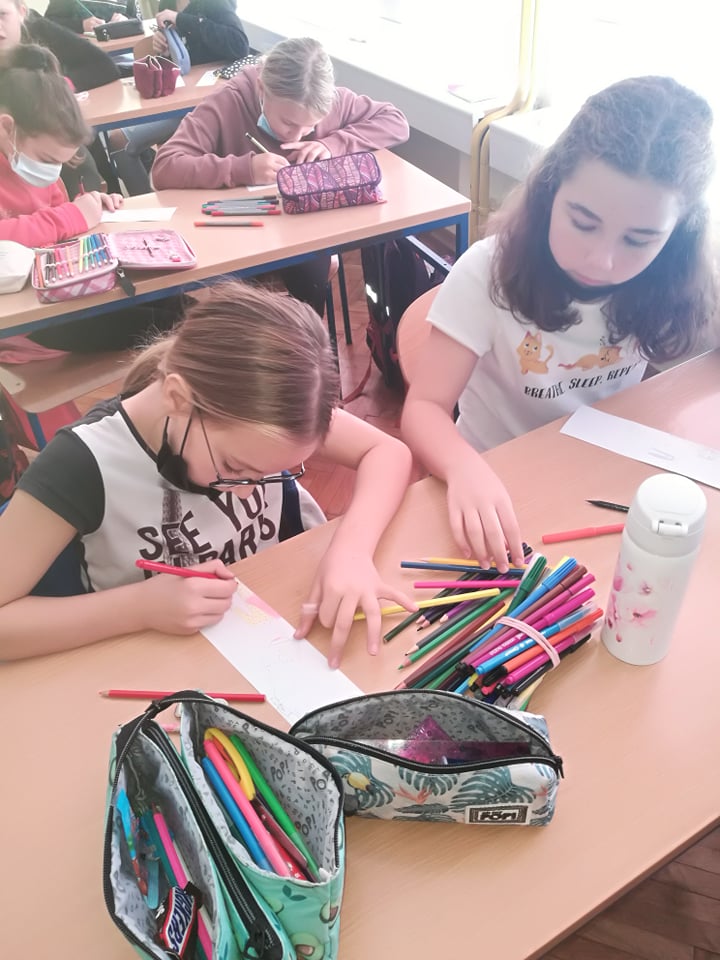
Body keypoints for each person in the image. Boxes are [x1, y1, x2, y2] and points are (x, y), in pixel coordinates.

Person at [0, 282, 415, 665]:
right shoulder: (81, 464)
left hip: (266, 625)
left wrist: (351, 551)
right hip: (150, 657)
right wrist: (139, 608)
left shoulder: (279, 410)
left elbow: (388, 452)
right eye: (235, 468)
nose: (246, 493)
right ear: (178, 398)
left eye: (272, 473)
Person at [401, 75, 717, 572]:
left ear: (678, 233)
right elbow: (423, 408)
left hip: (601, 474)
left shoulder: (678, 276)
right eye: (583, 222)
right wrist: (463, 467)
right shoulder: (487, 274)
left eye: (639, 240)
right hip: (497, 475)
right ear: (550, 191)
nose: (602, 260)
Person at [152, 36, 410, 316]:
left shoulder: (329, 100)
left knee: (312, 272)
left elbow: (395, 121)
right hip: (243, 232)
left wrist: (332, 144)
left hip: (304, 232)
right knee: (244, 303)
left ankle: (307, 337)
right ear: (262, 88)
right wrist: (244, 169)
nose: (296, 136)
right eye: (288, 122)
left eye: (309, 127)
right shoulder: (230, 100)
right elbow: (165, 166)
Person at [0, 44, 184, 351]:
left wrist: (93, 204)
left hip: (59, 286)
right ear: (7, 127)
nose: (51, 171)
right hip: (24, 319)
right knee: (176, 325)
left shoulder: (26, 154)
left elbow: (58, 218)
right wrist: (74, 216)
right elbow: (50, 224)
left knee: (178, 301)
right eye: (47, 159)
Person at [108, 0, 250, 195]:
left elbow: (239, 44)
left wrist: (181, 20)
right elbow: (178, 62)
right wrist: (164, 49)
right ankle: (148, 203)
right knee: (118, 139)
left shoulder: (215, 3)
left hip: (212, 105)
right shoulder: (166, 4)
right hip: (178, 102)